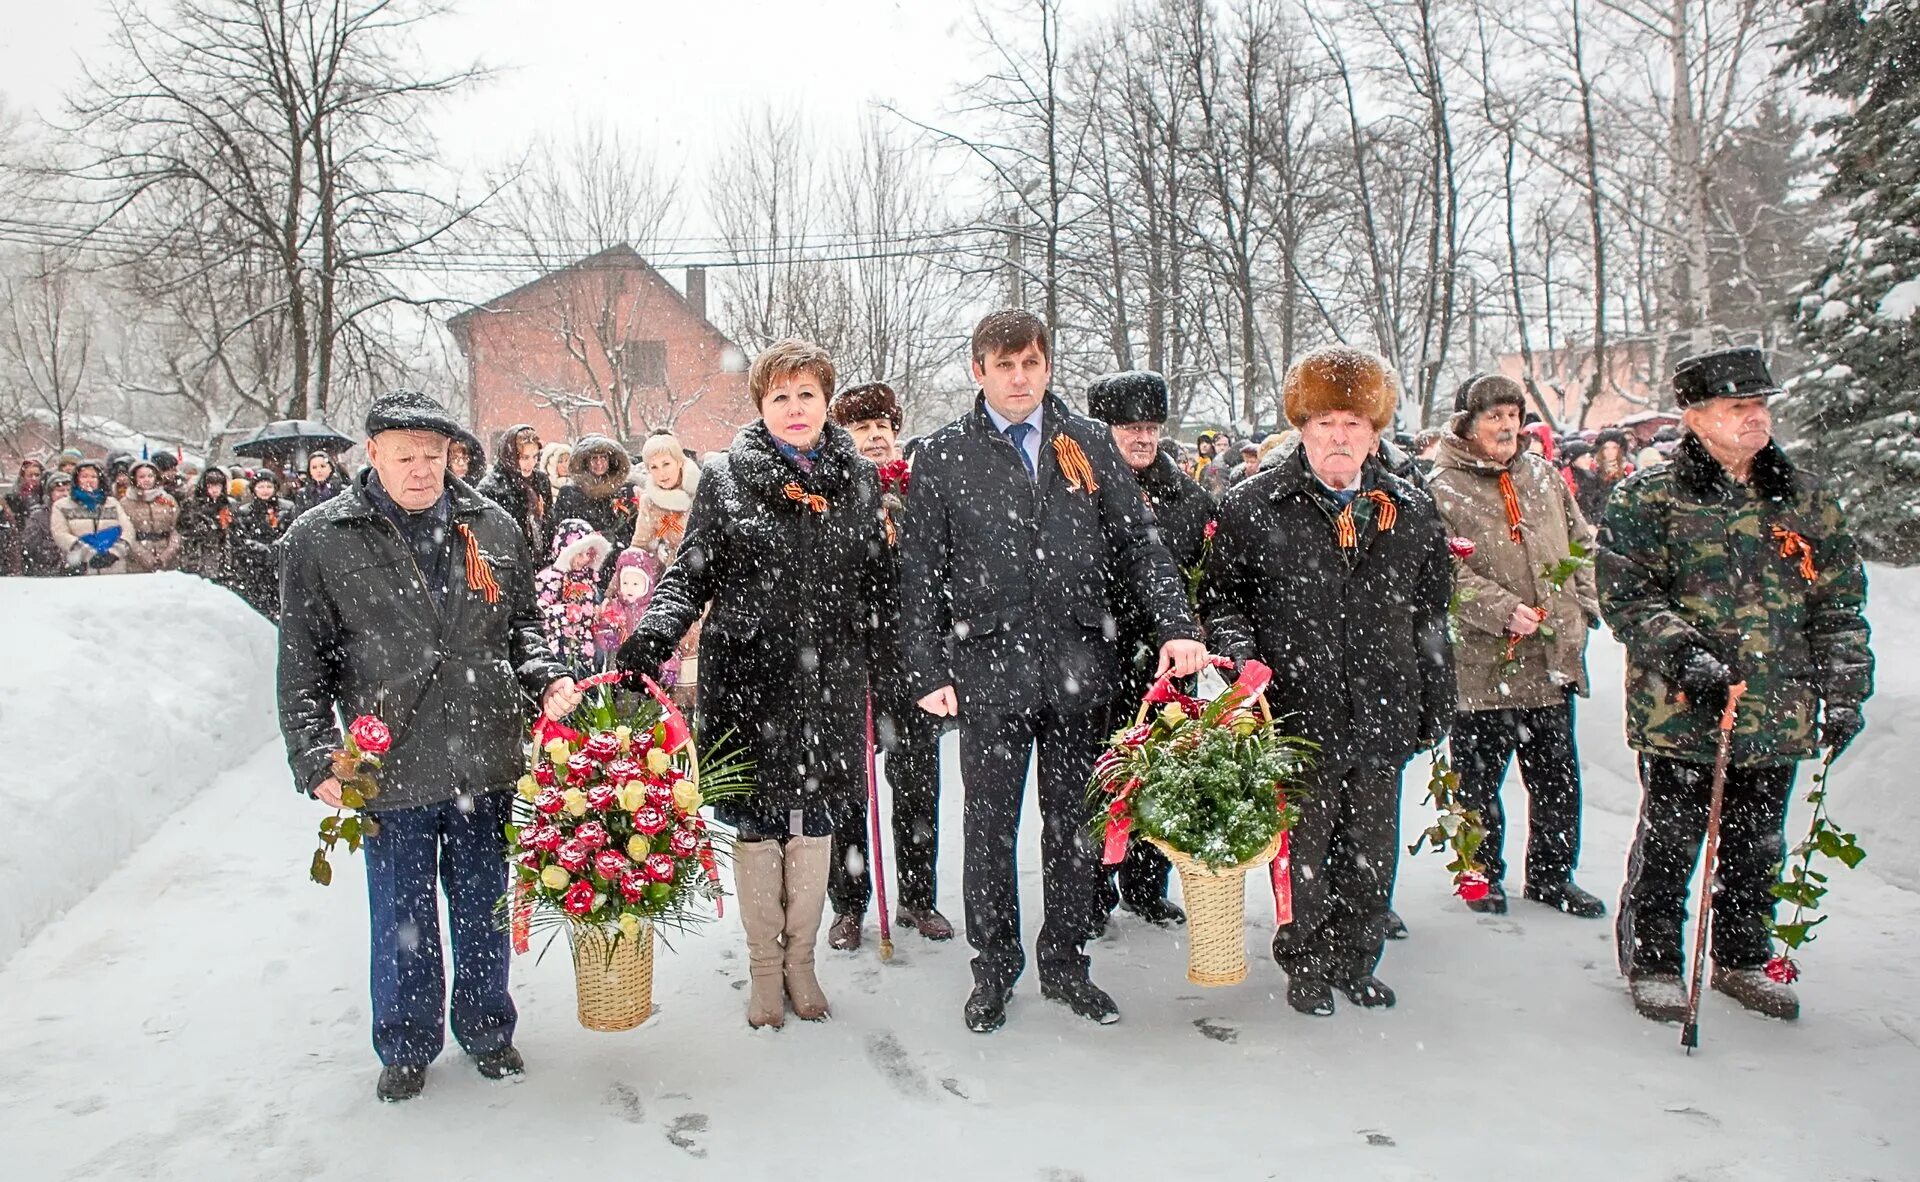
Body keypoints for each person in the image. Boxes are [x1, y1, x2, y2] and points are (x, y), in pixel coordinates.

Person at [901, 310, 1206, 1033]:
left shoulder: (1088, 442)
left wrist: (1175, 624)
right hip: (989, 671)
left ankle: (1066, 962)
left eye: (1031, 363)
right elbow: (920, 574)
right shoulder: (944, 457)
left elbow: (1139, 545)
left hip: (1078, 666)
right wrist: (926, 665)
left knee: (1074, 826)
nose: (1018, 377)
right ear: (978, 370)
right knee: (989, 828)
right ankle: (995, 968)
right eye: (1003, 365)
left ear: (1046, 368)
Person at [277, 388, 580, 1103]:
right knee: (403, 915)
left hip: (487, 752)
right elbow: (302, 659)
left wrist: (549, 680)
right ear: (373, 455)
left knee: (483, 905)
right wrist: (316, 754)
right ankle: (408, 1043)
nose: (421, 470)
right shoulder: (321, 539)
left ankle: (486, 1029)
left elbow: (523, 631)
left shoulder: (493, 527)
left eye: (434, 456)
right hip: (392, 764)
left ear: (453, 457)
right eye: (405, 455)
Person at [618, 339, 888, 1029]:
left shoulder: (858, 480)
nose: (794, 409)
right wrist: (652, 635)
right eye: (779, 397)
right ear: (760, 405)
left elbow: (881, 586)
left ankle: (803, 964)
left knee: (817, 820)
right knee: (760, 824)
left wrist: (904, 659)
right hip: (749, 680)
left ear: (827, 400)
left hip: (829, 679)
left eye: (806, 395)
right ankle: (765, 970)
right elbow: (691, 571)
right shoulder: (726, 479)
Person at [1598, 347, 1872, 1026]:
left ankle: (1743, 955)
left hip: (1777, 705)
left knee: (1758, 842)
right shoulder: (1650, 496)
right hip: (1685, 709)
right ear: (1695, 417)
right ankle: (1656, 958)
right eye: (1738, 407)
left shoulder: (1803, 496)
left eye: (1760, 405)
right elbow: (1627, 596)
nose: (1756, 418)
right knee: (1671, 838)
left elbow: (1839, 600)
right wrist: (1686, 656)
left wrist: (1843, 686)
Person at [1201, 345, 1453, 1017]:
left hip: (1382, 703)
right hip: (1296, 709)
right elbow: (1221, 600)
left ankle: (1357, 956)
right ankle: (1306, 961)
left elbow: (1431, 611)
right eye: (1325, 424)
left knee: (1370, 846)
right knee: (1306, 848)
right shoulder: (1258, 505)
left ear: (1375, 432)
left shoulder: (1410, 509)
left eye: (1354, 424)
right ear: (1302, 429)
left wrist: (1437, 696)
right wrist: (1240, 657)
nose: (1340, 438)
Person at [1427, 374, 1605, 919]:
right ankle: (1481, 873)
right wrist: (1502, 610)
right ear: (1467, 424)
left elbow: (1581, 542)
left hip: (1551, 661)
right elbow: (1441, 572)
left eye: (1512, 416)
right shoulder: (1441, 486)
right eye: (1493, 417)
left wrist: (1584, 603)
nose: (1506, 427)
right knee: (1479, 781)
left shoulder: (1544, 475)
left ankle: (1554, 877)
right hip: (1484, 664)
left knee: (1557, 780)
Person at [823, 381, 954, 952]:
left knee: (918, 783)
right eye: (861, 428)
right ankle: (848, 905)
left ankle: (918, 898)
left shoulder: (923, 489)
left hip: (912, 659)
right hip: (850, 661)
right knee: (847, 788)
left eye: (883, 427)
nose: (875, 437)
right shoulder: (830, 492)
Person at [1086, 370, 1210, 929]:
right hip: (1094, 656)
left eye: (1150, 428)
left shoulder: (1189, 497)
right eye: (1129, 427)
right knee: (1097, 778)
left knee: (1161, 776)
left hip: (1165, 659)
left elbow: (1204, 578)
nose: (1142, 438)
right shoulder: (1080, 490)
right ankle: (1089, 891)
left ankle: (1145, 881)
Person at [534, 518, 612, 677]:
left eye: (588, 554)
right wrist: (564, 612)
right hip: (561, 647)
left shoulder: (589, 578)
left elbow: (590, 610)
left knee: (586, 689)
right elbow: (538, 613)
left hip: (586, 649)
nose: (584, 559)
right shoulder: (550, 578)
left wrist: (599, 615)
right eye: (579, 554)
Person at [50, 459, 136, 576]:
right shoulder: (62, 506)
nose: (89, 480)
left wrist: (114, 553)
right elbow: (60, 534)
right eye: (84, 476)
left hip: (114, 569)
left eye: (93, 477)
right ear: (77, 479)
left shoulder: (112, 503)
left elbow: (128, 530)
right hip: (80, 568)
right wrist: (88, 553)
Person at [477, 424, 551, 558]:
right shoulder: (492, 486)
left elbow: (549, 524)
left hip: (539, 559)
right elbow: (488, 533)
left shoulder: (540, 481)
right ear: (510, 456)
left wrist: (542, 518)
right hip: (508, 560)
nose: (531, 464)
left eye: (535, 457)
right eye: (524, 457)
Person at [554, 434, 639, 550]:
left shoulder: (626, 491)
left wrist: (618, 543)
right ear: (584, 461)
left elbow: (635, 529)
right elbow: (562, 531)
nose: (599, 463)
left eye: (603, 457)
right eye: (594, 458)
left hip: (621, 555)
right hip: (583, 556)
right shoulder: (570, 493)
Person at [591, 547, 667, 673]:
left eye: (635, 584)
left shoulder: (652, 610)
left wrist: (668, 667)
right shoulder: (615, 606)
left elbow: (663, 641)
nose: (629, 588)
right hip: (618, 661)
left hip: (645, 662)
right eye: (625, 583)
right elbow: (602, 627)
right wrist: (608, 636)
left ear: (648, 584)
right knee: (618, 686)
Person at [631, 433, 702, 565]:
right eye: (654, 467)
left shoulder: (702, 492)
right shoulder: (650, 502)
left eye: (666, 464)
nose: (661, 473)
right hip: (673, 570)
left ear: (679, 462)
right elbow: (639, 547)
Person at [230, 473, 294, 616]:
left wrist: (275, 548)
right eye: (261, 487)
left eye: (269, 486)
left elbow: (291, 533)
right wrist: (259, 550)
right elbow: (240, 538)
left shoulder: (287, 508)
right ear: (254, 489)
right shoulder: (244, 511)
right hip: (254, 565)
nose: (265, 490)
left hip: (280, 564)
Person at [123, 460, 182, 573]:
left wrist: (168, 553)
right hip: (137, 561)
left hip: (167, 557)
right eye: (142, 476)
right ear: (134, 479)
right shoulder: (126, 503)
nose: (146, 480)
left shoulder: (168, 500)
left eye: (150, 476)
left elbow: (176, 528)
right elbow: (126, 533)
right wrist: (144, 556)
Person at [177, 466, 235, 583]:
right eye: (210, 486)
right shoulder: (192, 505)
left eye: (218, 486)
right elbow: (185, 529)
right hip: (199, 555)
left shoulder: (227, 506)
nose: (214, 490)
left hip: (221, 556)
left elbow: (232, 530)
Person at [290, 452, 349, 518]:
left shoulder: (343, 490)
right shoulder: (302, 494)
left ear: (330, 468)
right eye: (314, 467)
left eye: (322, 466)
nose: (318, 470)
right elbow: (298, 519)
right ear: (310, 471)